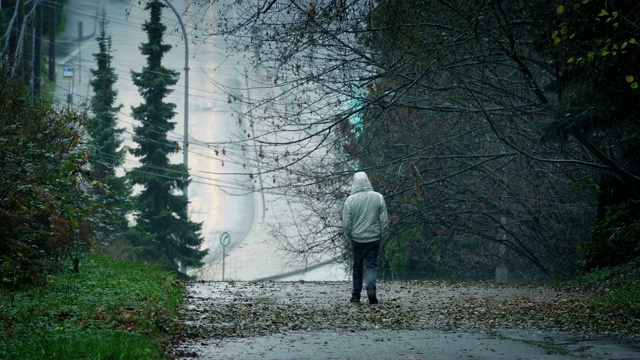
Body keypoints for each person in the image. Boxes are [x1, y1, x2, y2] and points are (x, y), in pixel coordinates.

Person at [342, 171, 388, 305]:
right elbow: (384, 221)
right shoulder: (378, 197)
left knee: (357, 267)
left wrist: (348, 235)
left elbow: (346, 224)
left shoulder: (350, 201)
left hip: (357, 239)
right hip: (374, 238)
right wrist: (382, 234)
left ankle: (356, 295)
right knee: (372, 265)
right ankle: (371, 289)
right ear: (368, 181)